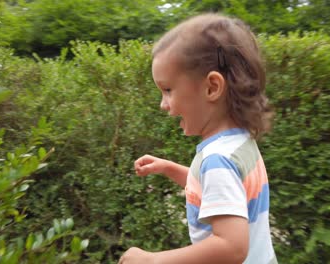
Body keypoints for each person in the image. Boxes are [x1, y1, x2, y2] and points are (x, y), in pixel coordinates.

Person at [118, 13, 278, 264]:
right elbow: (217, 192)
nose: (163, 104)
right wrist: (169, 168)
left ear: (212, 87)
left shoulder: (217, 160)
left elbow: (231, 247)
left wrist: (152, 260)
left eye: (168, 90)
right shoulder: (239, 143)